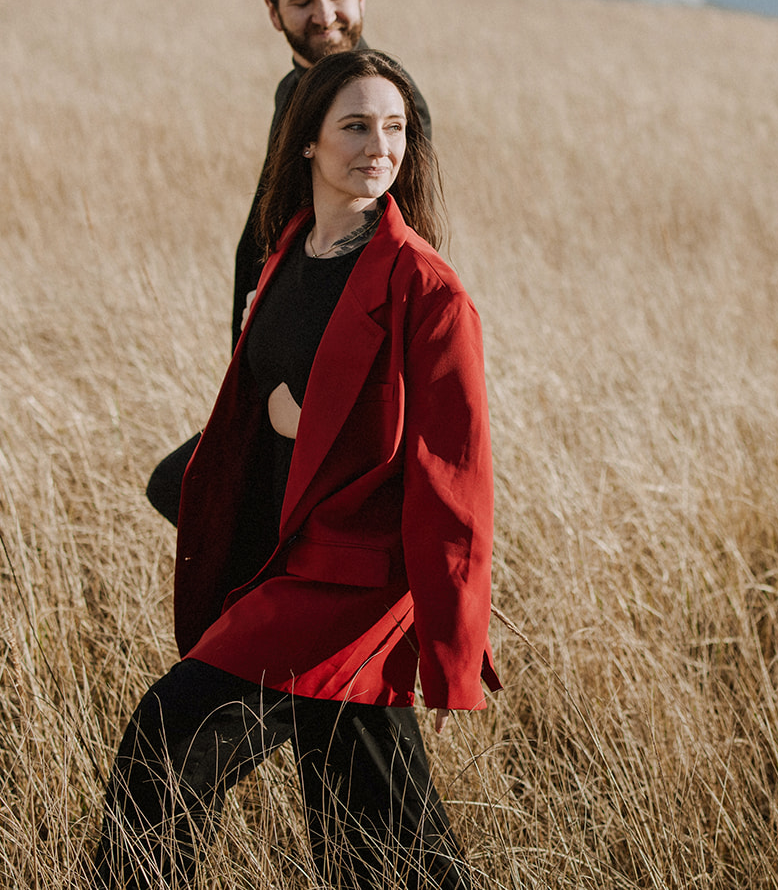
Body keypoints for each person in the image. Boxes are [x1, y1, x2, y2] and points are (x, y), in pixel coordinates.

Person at [93, 50, 496, 889]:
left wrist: (452, 647)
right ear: (305, 139)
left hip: (349, 591)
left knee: (167, 739)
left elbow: (452, 479)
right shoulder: (285, 255)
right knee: (376, 832)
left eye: (395, 128)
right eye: (355, 125)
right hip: (289, 562)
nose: (378, 146)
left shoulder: (428, 290)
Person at [144, 0, 431, 526]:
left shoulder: (383, 100)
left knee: (227, 507)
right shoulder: (295, 92)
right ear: (274, 13)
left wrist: (310, 376)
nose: (324, 14)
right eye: (302, 1)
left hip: (326, 357)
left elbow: (402, 242)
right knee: (192, 492)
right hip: (275, 346)